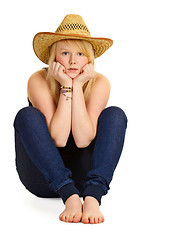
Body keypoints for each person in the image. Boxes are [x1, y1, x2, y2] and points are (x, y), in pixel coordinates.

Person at [13, 14, 127, 224]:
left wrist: (77, 85)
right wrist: (66, 85)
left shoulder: (99, 82)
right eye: (65, 53)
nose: (73, 61)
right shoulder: (38, 79)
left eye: (81, 54)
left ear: (89, 59)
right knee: (26, 115)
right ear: (54, 57)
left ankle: (93, 196)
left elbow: (83, 140)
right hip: (43, 178)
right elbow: (58, 139)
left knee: (116, 114)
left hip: (86, 180)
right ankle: (70, 196)